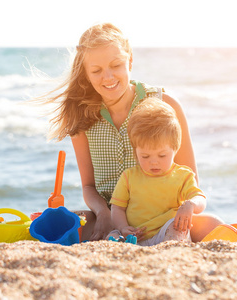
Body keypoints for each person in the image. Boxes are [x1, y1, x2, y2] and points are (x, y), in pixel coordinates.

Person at [40, 22, 223, 242]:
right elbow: (89, 187)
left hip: (163, 218)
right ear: (86, 74)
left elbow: (189, 176)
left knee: (212, 224)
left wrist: (185, 209)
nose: (108, 77)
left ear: (130, 61)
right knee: (65, 224)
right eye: (96, 70)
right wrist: (103, 214)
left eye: (116, 65)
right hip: (113, 218)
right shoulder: (82, 118)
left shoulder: (165, 104)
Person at [107, 97, 206, 246]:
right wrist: (122, 227)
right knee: (112, 235)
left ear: (175, 149)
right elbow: (117, 208)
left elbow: (200, 198)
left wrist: (190, 205)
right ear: (136, 152)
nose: (154, 161)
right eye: (145, 156)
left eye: (162, 155)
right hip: (135, 237)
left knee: (177, 227)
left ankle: (169, 250)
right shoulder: (129, 177)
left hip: (165, 233)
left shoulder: (183, 176)